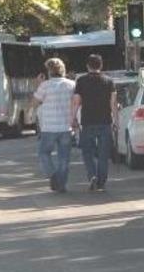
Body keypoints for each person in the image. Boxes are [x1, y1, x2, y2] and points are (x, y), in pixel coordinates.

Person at [71, 54, 117, 191]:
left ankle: (92, 175)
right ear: (101, 65)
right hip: (105, 122)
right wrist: (116, 120)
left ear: (88, 66)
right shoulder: (109, 81)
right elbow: (113, 103)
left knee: (87, 152)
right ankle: (101, 181)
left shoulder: (81, 81)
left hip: (87, 122)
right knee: (103, 154)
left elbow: (76, 102)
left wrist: (72, 118)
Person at [32, 58, 76, 193]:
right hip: (66, 127)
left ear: (49, 71)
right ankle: (61, 185)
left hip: (49, 127)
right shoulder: (72, 85)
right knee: (64, 158)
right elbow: (76, 103)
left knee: (43, 153)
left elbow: (34, 103)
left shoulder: (45, 86)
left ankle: (53, 176)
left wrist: (38, 84)